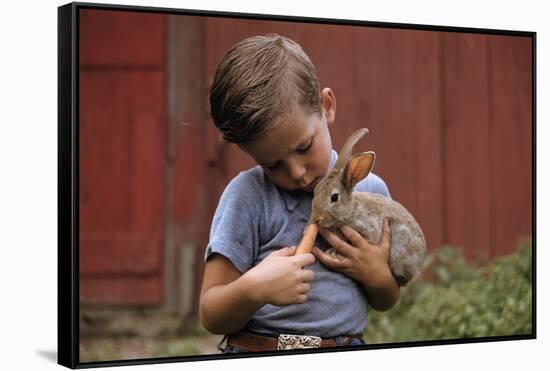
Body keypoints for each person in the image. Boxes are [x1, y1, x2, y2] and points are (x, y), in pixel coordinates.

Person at [199, 34, 400, 353]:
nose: (296, 172)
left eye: (304, 147)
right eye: (272, 164)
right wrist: (255, 289)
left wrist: (377, 275)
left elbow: (386, 299)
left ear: (327, 106)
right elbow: (211, 312)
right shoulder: (248, 196)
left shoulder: (370, 191)